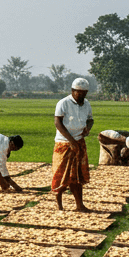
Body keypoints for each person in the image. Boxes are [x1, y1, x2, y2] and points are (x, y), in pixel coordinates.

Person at [52, 78, 94, 210]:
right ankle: (59, 205)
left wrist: (87, 128)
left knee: (77, 176)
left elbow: (90, 120)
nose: (81, 95)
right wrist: (71, 140)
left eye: (84, 93)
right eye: (78, 93)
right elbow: (58, 123)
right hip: (64, 143)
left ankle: (79, 205)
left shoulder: (86, 104)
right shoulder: (63, 103)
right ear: (72, 91)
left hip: (79, 141)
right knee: (61, 175)